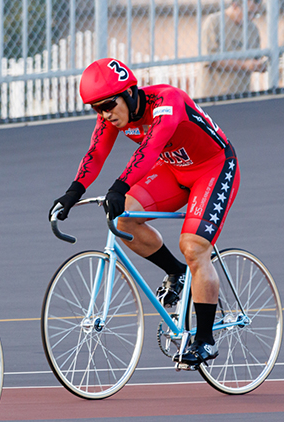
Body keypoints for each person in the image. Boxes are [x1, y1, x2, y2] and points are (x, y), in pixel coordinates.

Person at [51, 58, 240, 366]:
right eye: (96, 109)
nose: (105, 115)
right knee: (123, 220)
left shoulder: (167, 101)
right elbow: (96, 153)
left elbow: (150, 149)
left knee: (193, 247)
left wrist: (119, 186)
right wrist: (73, 192)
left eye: (109, 105)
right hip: (174, 170)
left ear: (129, 93)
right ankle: (177, 274)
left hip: (213, 168)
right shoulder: (110, 115)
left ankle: (205, 340)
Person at [199, 0, 267, 97]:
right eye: (249, 13)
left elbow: (256, 59)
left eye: (255, 14)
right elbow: (211, 60)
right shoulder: (214, 22)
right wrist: (244, 65)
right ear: (235, 6)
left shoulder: (252, 30)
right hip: (214, 96)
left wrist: (261, 65)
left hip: (242, 95)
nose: (251, 18)